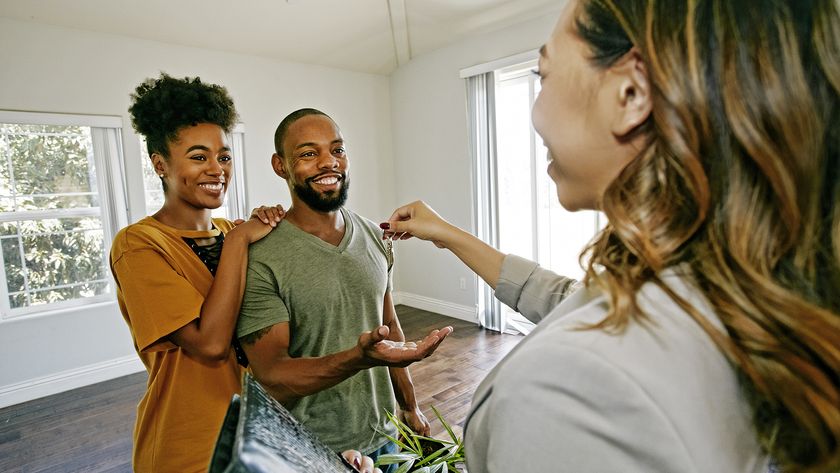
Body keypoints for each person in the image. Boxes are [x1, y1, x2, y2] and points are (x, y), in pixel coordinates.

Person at [383, 0, 840, 472]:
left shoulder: (572, 393)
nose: (536, 112)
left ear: (630, 93)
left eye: (544, 75)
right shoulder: (740, 287)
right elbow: (570, 299)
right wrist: (446, 233)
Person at [236, 108, 453, 470]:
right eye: (308, 154)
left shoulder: (375, 236)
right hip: (311, 451)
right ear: (280, 166)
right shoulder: (261, 256)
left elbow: (390, 326)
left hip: (386, 437)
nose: (328, 163)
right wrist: (358, 358)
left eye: (337, 150)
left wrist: (410, 406)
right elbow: (272, 376)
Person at [111, 73, 284, 472]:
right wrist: (241, 242)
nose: (217, 168)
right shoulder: (139, 244)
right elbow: (208, 344)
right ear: (160, 164)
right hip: (189, 444)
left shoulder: (229, 231)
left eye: (224, 156)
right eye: (198, 156)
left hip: (256, 435)